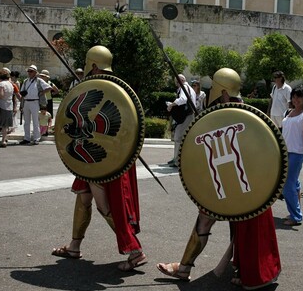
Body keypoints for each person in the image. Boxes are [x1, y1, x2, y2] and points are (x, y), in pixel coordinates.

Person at [157, 67, 282, 290]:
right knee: (208, 218)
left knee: (215, 220)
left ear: (223, 92)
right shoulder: (230, 115)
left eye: (214, 89)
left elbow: (261, 157)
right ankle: (185, 267)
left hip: (242, 188)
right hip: (227, 185)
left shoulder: (244, 117)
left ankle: (191, 267)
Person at [51, 45, 147, 271]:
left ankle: (135, 251)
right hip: (91, 153)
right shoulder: (113, 86)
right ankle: (74, 246)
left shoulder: (109, 88)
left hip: (104, 160)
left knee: (106, 204)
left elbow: (129, 126)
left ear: (93, 65)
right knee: (83, 196)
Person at [280, 86, 303, 226]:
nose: (296, 100)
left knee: (287, 184)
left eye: (299, 97)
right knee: (294, 182)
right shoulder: (288, 112)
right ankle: (296, 211)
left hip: (297, 152)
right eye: (294, 97)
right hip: (285, 152)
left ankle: (296, 216)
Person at [166, 74, 196, 168]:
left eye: (176, 81)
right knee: (183, 138)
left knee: (178, 138)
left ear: (180, 81)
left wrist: (171, 105)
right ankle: (176, 158)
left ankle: (177, 161)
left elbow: (183, 99)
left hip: (185, 116)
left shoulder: (184, 88)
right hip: (190, 115)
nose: (176, 84)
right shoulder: (190, 88)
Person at [19, 65, 51, 145]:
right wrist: (21, 105)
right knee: (26, 121)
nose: (29, 73)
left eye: (31, 71)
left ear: (35, 73)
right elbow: (22, 92)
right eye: (28, 71)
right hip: (26, 101)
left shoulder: (39, 81)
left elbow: (49, 87)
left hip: (35, 102)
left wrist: (42, 92)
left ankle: (36, 138)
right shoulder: (26, 81)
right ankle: (27, 138)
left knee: (35, 121)